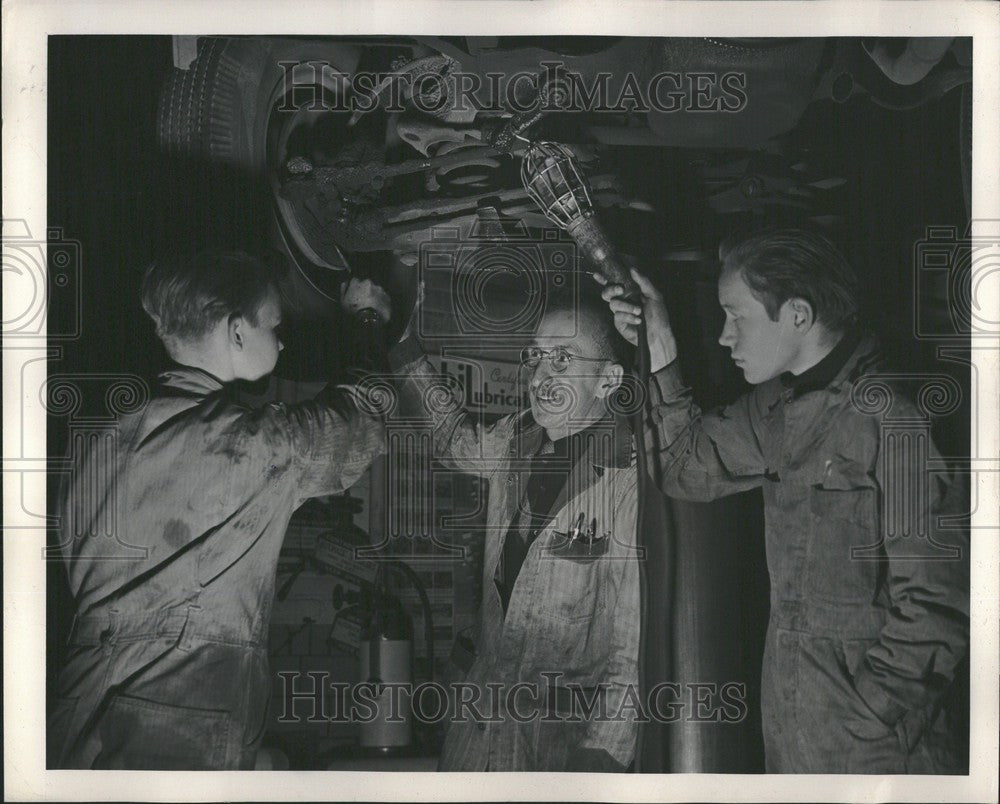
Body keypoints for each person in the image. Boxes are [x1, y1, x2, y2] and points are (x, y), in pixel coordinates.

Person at [599, 227, 969, 774]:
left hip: (882, 754)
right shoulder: (776, 410)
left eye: (737, 316)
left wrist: (870, 715)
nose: (726, 337)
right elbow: (682, 469)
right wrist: (660, 343)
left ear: (797, 314)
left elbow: (938, 605)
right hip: (793, 734)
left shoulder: (897, 416)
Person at [48, 251, 392, 769]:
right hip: (180, 701)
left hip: (79, 697)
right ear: (236, 332)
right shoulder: (257, 447)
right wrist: (367, 319)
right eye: (274, 325)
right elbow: (363, 411)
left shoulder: (95, 435)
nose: (281, 339)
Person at [385, 289, 641, 772]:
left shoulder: (628, 479)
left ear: (608, 380)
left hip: (555, 750)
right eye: (536, 357)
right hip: (474, 734)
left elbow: (631, 650)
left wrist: (602, 756)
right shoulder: (514, 439)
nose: (540, 376)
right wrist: (402, 342)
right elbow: (450, 439)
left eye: (563, 359)